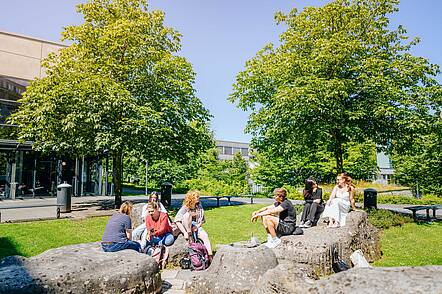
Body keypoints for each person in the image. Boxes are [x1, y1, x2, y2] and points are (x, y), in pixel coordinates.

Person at [175, 190, 213, 262]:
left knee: (205, 236)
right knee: (187, 215)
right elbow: (177, 221)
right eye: (197, 197)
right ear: (191, 198)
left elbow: (202, 220)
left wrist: (197, 226)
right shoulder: (185, 207)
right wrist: (185, 232)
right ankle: (190, 237)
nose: (198, 198)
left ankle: (210, 256)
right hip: (186, 226)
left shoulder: (199, 206)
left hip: (196, 226)